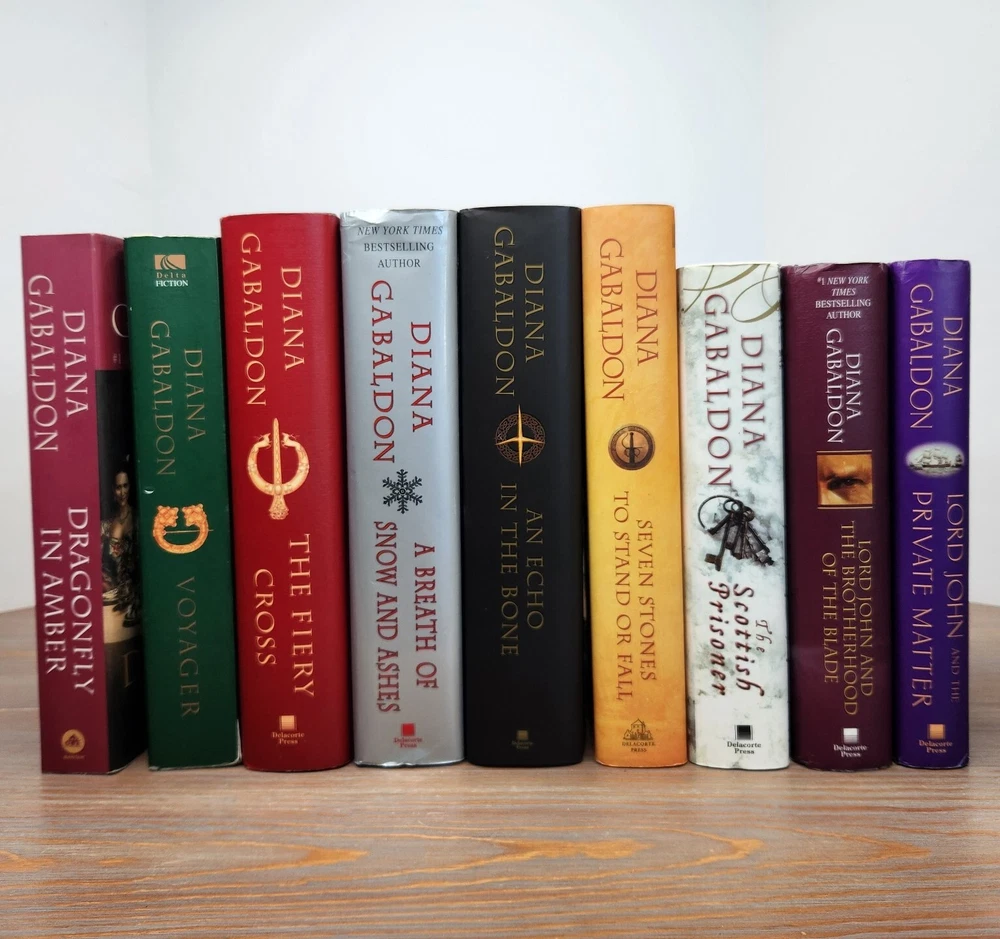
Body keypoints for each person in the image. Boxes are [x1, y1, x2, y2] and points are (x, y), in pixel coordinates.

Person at [102, 467, 139, 641]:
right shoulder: (108, 523)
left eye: (125, 486)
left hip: (131, 586)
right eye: (118, 487)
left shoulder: (138, 517)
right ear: (112, 490)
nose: (122, 492)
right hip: (112, 585)